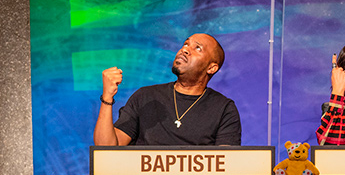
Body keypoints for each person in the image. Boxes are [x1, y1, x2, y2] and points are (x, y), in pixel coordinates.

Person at [94, 33, 241, 146]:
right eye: (185, 44)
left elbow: (225, 167)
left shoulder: (223, 109)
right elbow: (106, 150)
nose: (185, 50)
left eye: (197, 48)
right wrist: (107, 97)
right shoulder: (146, 97)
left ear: (211, 68)